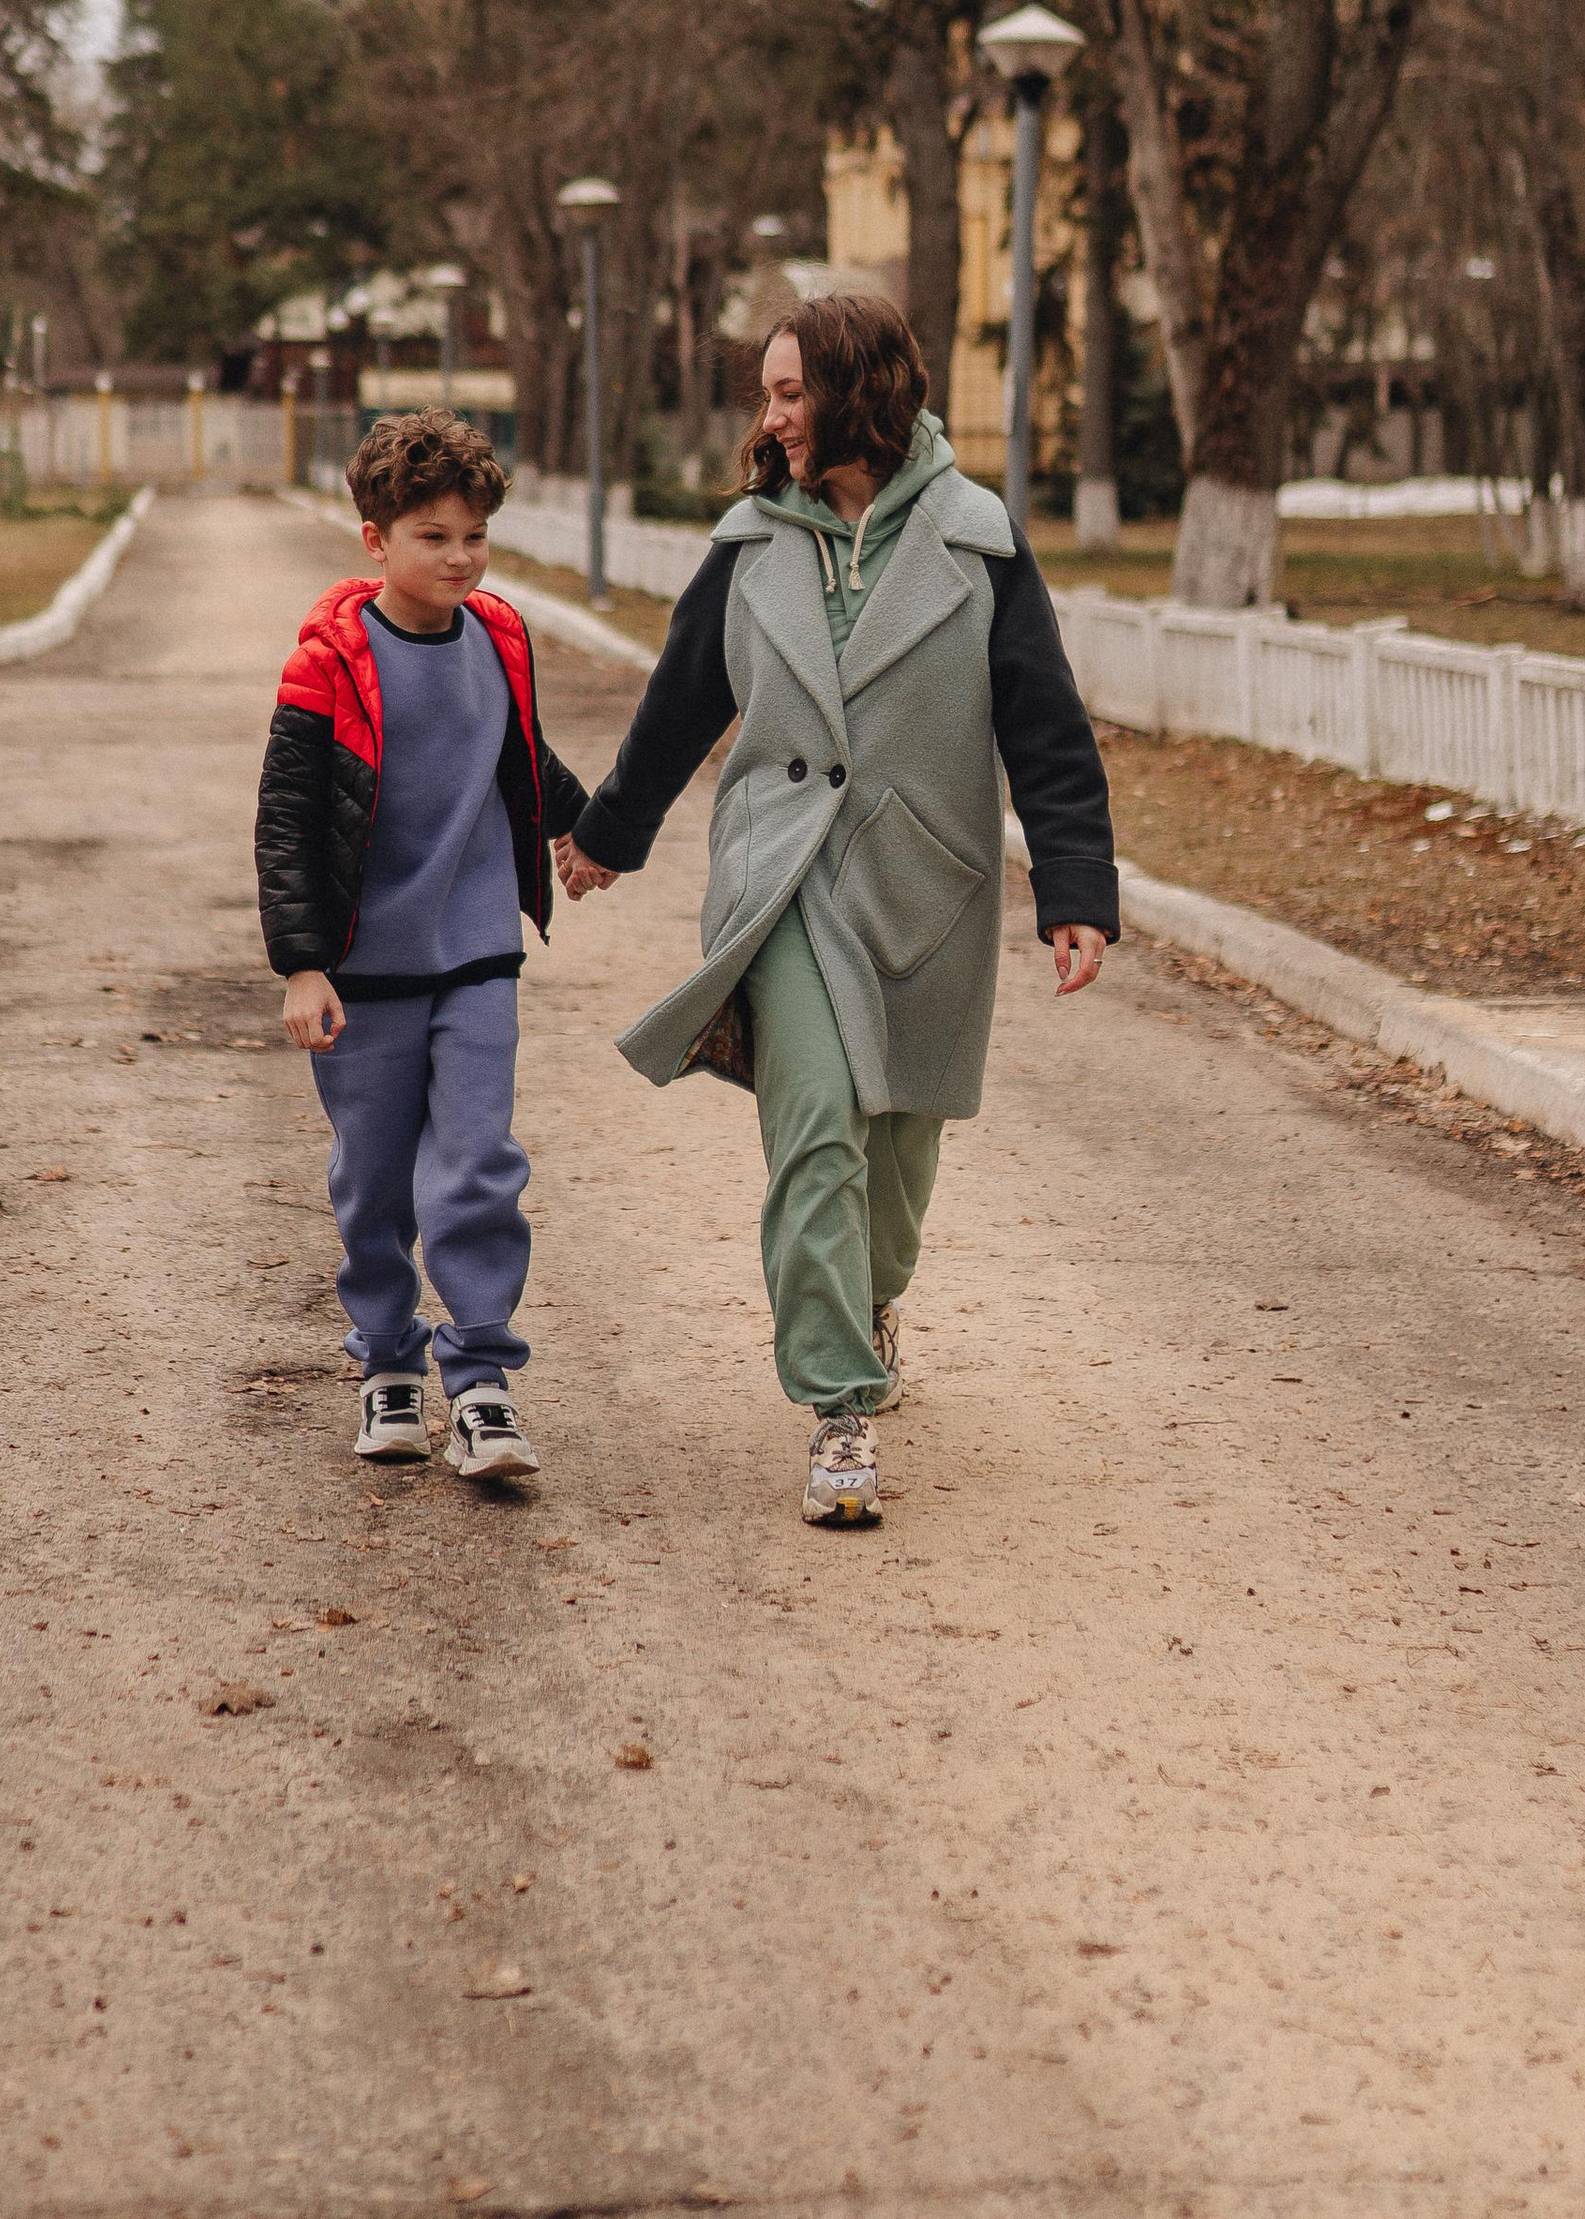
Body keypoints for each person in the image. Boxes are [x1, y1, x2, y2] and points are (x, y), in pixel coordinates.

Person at [556, 294, 1117, 1528]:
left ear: (858, 390)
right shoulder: (750, 540)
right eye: (768, 394)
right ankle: (838, 1406)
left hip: (925, 886)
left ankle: (870, 1299)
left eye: (790, 392)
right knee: (812, 1118)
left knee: (899, 1151)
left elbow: (1044, 725)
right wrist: (607, 835)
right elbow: (680, 702)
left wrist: (1075, 891)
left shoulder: (976, 542)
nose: (771, 417)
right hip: (784, 879)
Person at [255, 408, 589, 1483]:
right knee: (375, 1184)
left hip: (478, 949)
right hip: (365, 966)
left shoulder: (497, 636)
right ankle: (388, 1361)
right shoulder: (330, 662)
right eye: (433, 536)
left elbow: (518, 754)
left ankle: (482, 1380)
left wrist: (580, 826)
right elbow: (289, 821)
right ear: (376, 540)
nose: (459, 557)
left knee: (478, 1165)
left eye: (474, 536)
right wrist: (302, 962)